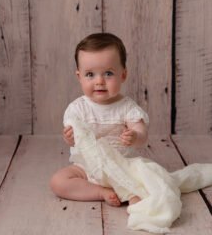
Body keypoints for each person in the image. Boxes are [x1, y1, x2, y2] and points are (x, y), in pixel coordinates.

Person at [50, 33, 149, 207]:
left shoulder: (127, 107)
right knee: (58, 181)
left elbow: (142, 134)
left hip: (122, 166)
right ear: (79, 76)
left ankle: (133, 196)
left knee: (147, 177)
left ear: (123, 75)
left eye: (108, 73)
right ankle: (100, 192)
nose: (99, 81)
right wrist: (70, 138)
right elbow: (73, 140)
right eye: (90, 74)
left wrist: (135, 136)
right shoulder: (77, 109)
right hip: (87, 168)